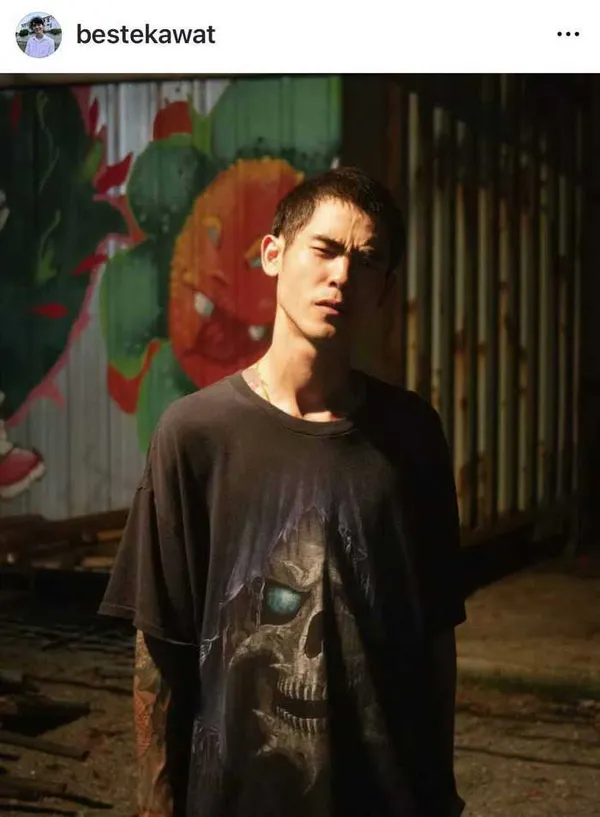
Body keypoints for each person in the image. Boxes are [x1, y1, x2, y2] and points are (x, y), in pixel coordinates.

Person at [98, 166, 467, 817]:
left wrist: (441, 789)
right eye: (325, 248)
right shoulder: (195, 435)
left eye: (367, 260)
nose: (342, 275)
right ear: (273, 254)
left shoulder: (412, 435)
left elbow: (436, 631)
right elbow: (161, 645)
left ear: (385, 288)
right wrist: (156, 804)